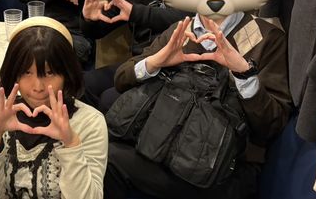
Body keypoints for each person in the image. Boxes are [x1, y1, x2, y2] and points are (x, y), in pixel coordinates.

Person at [104, 12, 292, 198]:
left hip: (222, 166)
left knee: (110, 159)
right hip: (163, 141)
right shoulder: (183, 29)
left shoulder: (265, 38)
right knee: (102, 143)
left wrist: (244, 76)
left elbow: (272, 125)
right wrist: (156, 62)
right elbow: (122, 79)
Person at [0, 17, 107, 198]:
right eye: (26, 72)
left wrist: (71, 143)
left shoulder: (90, 122)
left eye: (49, 73)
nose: (38, 87)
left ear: (67, 74)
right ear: (14, 73)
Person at [80, 0, 191, 112]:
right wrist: (89, 19)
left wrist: (135, 12)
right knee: (86, 83)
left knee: (110, 99)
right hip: (138, 60)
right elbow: (97, 30)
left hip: (172, 67)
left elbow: (187, 18)